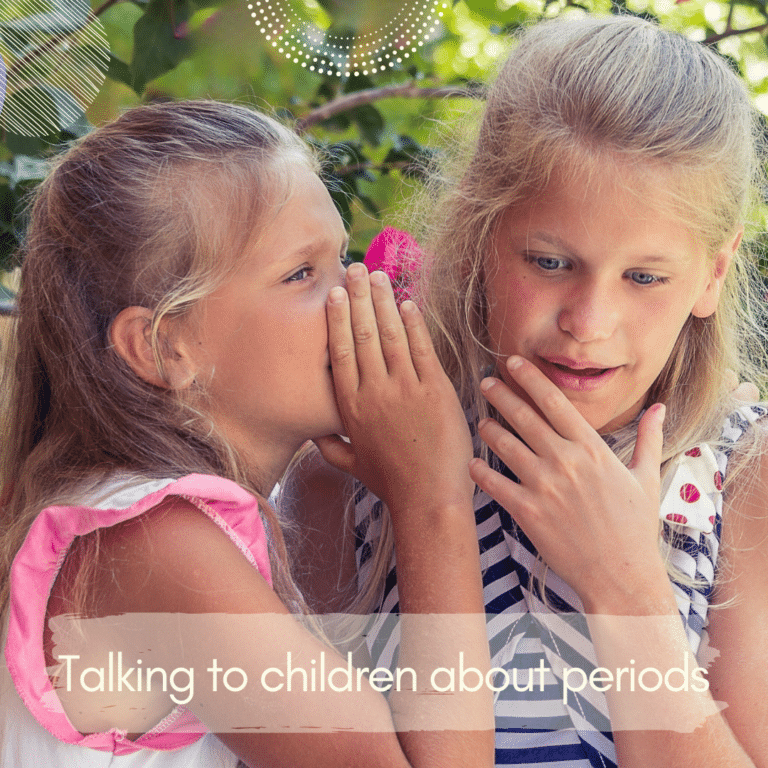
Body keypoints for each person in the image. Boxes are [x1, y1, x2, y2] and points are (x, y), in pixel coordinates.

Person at [291, 15, 768, 768]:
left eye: (644, 277)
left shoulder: (744, 475)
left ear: (712, 273)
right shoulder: (356, 467)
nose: (588, 321)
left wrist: (626, 590)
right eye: (549, 262)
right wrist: (426, 503)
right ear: (481, 235)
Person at [0, 100, 494, 767]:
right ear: (163, 347)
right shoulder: (153, 547)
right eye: (301, 274)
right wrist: (433, 498)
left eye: (342, 256)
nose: (359, 288)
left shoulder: (155, 524)